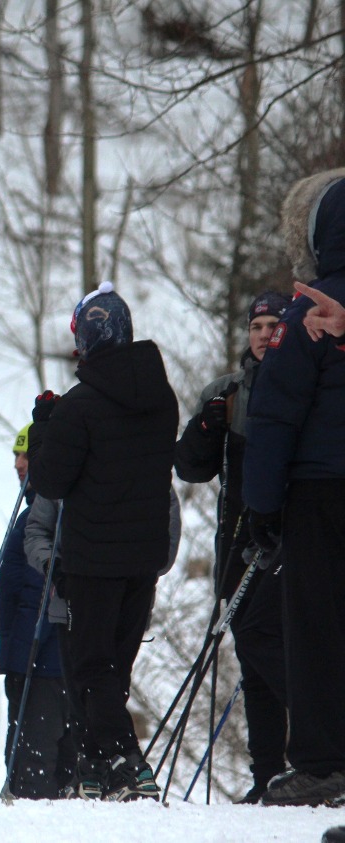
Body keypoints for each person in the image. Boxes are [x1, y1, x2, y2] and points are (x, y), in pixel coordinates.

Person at [27, 281, 178, 802]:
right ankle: (95, 766)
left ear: (87, 342)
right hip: (143, 559)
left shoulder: (79, 405)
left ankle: (125, 761)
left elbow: (49, 481)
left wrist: (45, 426)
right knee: (114, 664)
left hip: (92, 560)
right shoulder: (161, 399)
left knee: (91, 664)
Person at [243, 168, 345, 807]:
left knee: (315, 627)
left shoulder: (310, 310)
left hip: (320, 493)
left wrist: (263, 505)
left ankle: (324, 762)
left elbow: (274, 415)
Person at [174, 289, 291, 804]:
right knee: (250, 651)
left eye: (274, 325)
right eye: (257, 326)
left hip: (290, 538)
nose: (265, 334)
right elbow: (189, 467)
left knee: (265, 637)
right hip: (238, 538)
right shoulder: (227, 391)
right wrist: (207, 426)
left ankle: (320, 748)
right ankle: (268, 776)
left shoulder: (303, 384)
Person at [0, 424, 74, 800]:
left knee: (36, 772)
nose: (19, 464)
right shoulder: (30, 518)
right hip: (27, 659)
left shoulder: (48, 520)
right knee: (36, 767)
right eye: (16, 455)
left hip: (46, 661)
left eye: (27, 454)